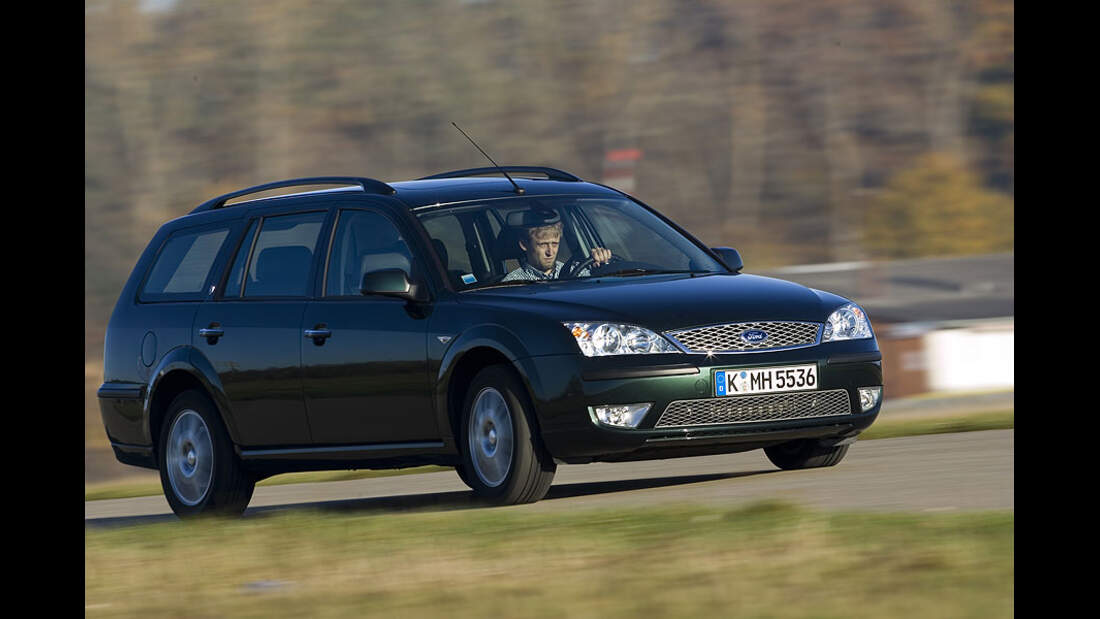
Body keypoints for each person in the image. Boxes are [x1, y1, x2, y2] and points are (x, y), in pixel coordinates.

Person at [502, 210, 612, 281]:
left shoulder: (576, 272)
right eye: (543, 244)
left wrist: (602, 265)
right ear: (524, 244)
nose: (550, 252)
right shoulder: (511, 283)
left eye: (554, 244)